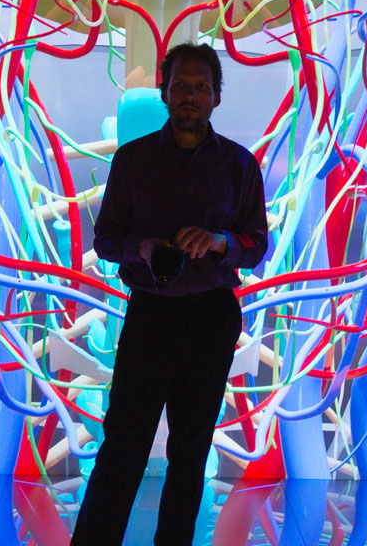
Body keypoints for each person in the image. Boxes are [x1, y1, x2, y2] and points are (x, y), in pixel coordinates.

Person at [72, 43, 270, 546]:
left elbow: (256, 246)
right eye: (181, 85)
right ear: (165, 92)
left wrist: (221, 242)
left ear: (216, 97)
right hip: (150, 317)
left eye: (201, 87)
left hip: (212, 318)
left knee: (190, 453)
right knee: (122, 447)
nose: (190, 96)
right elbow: (105, 239)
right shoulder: (133, 160)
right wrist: (143, 247)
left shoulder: (240, 166)